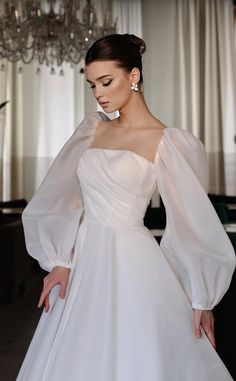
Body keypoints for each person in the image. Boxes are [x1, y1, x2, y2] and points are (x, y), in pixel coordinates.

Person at [16, 33, 235, 381]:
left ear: (133, 75)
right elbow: (64, 197)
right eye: (92, 85)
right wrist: (60, 259)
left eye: (106, 81)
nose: (99, 93)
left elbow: (191, 222)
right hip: (84, 260)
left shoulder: (168, 142)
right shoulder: (92, 131)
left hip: (132, 262)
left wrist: (201, 297)